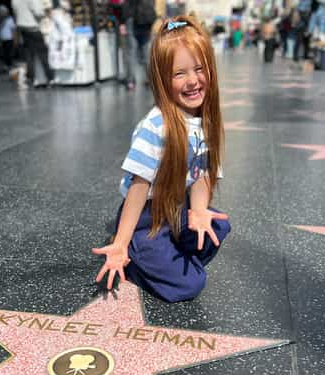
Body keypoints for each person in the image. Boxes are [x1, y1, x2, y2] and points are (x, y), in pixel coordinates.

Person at [92, 16, 230, 303]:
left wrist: (200, 210)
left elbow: (203, 173)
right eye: (179, 74)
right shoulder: (156, 127)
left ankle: (168, 254)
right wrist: (119, 243)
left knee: (216, 226)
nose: (192, 80)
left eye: (199, 69)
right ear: (162, 79)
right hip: (147, 217)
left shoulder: (204, 121)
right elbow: (138, 188)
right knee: (190, 285)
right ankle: (135, 255)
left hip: (177, 207)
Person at [11, 0, 54, 89]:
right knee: (43, 54)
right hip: (33, 27)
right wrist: (45, 12)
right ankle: (50, 78)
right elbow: (38, 12)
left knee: (29, 55)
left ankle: (31, 78)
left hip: (22, 28)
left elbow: (15, 12)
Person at [0, 5, 17, 69]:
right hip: (1, 39)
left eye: (3, 11)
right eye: (0, 12)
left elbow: (13, 29)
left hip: (9, 39)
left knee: (9, 53)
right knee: (3, 53)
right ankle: (6, 65)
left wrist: (15, 39)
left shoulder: (10, 19)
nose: (1, 13)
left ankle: (10, 65)